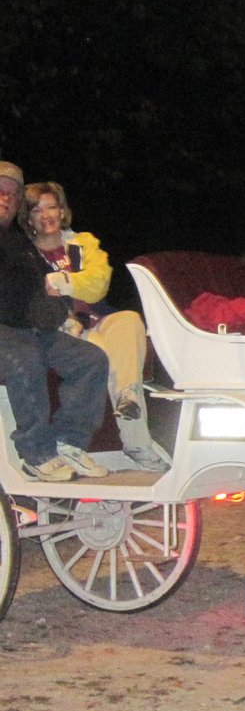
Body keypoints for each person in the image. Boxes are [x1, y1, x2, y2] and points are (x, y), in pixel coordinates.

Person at [22, 180, 166, 471]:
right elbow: (33, 300)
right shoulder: (25, 255)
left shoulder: (82, 243)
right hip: (64, 331)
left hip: (98, 320)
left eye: (52, 207)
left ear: (63, 212)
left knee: (129, 320)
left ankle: (129, 403)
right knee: (100, 354)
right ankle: (134, 444)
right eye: (37, 210)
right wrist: (71, 289)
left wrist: (59, 281)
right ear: (28, 219)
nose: (47, 215)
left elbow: (98, 285)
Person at [0, 161, 110, 481]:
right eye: (0, 191)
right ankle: (36, 451)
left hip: (30, 329)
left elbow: (45, 287)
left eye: (13, 194)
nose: (6, 198)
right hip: (6, 332)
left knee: (90, 359)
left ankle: (69, 443)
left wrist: (58, 314)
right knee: (25, 357)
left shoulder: (21, 244)